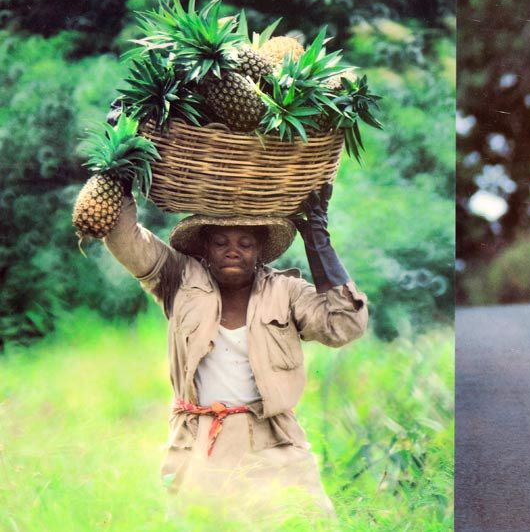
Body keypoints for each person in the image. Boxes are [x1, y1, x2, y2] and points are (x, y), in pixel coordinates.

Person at [98, 181, 368, 523]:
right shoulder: (178, 279)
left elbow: (343, 325)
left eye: (245, 243)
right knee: (202, 523)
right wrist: (121, 182)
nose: (233, 250)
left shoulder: (285, 291)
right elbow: (126, 241)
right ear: (205, 248)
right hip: (199, 440)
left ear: (259, 251)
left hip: (272, 439)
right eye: (221, 242)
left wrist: (318, 240)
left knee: (304, 520)